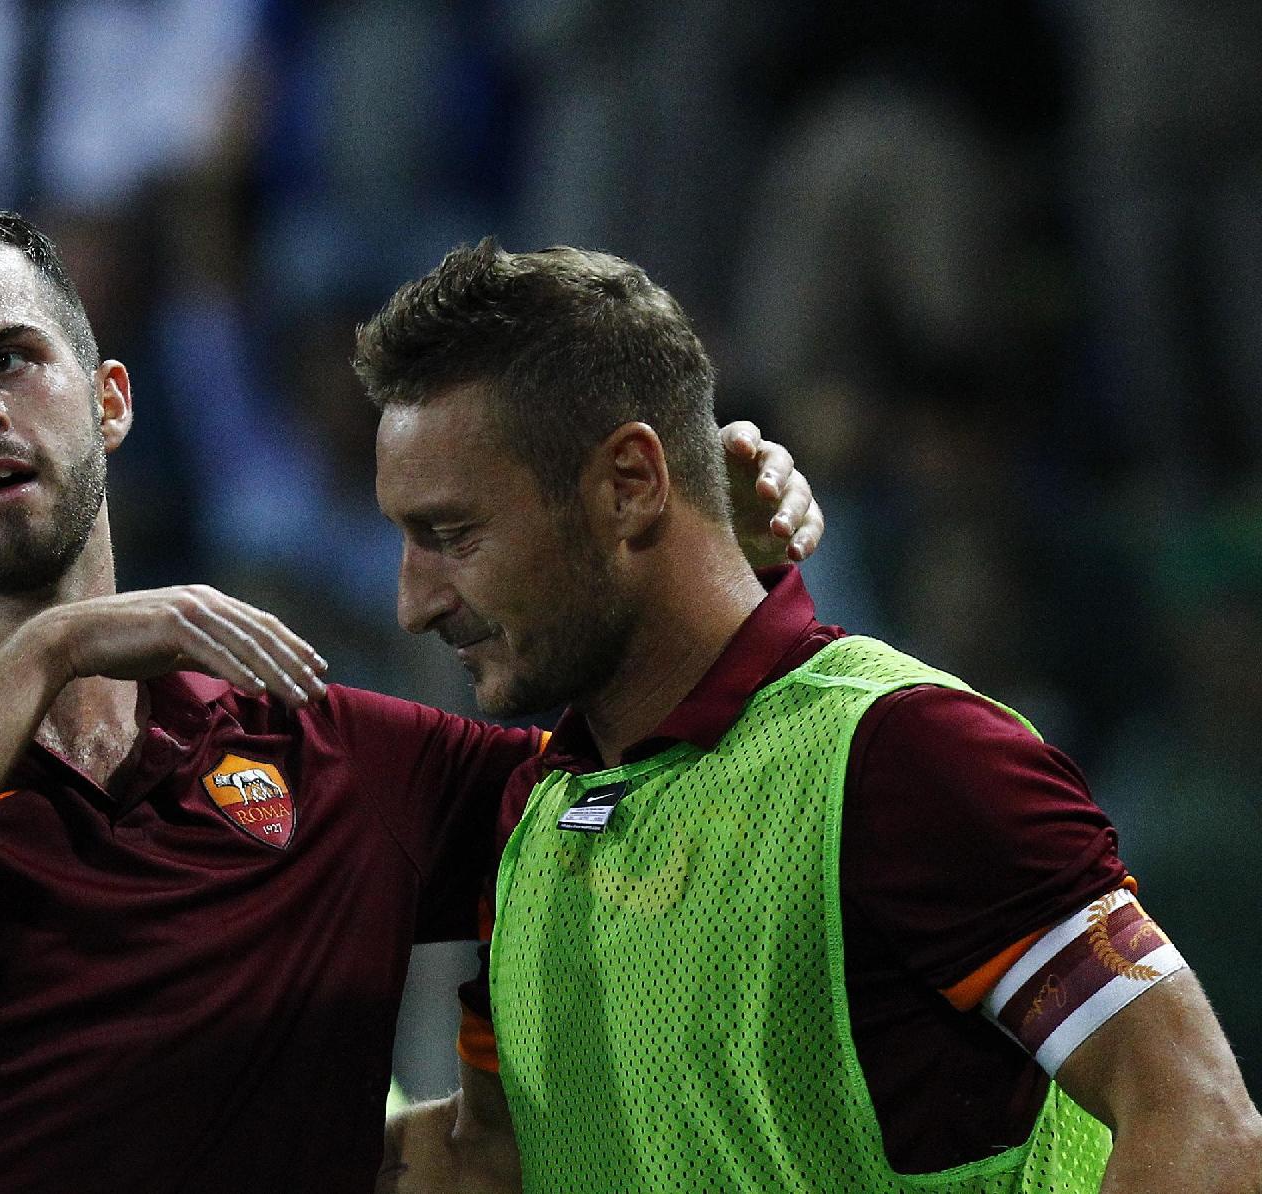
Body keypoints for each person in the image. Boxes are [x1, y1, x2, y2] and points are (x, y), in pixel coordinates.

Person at [0, 194, 821, 1192]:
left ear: (111, 402)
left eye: (11, 359)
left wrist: (703, 563)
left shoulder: (334, 756)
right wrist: (53, 652)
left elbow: (654, 796)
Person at [361, 240, 1262, 1193]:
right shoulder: (536, 816)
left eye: (451, 536)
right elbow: (491, 1162)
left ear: (630, 483)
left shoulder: (909, 756)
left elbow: (1200, 1127)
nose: (413, 602)